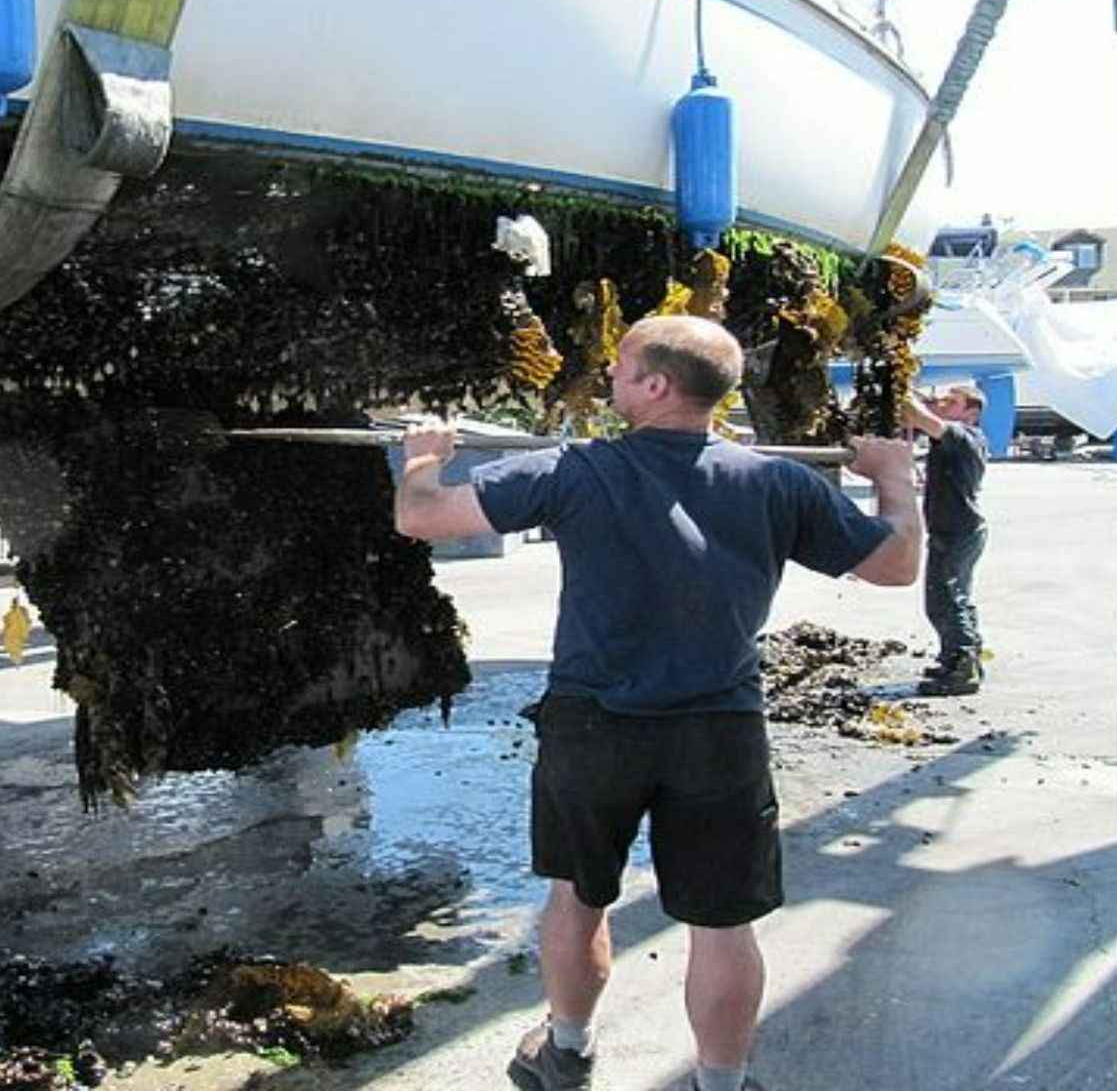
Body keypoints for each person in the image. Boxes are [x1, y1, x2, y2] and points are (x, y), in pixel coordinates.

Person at [394, 316, 922, 1091]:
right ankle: (720, 1083)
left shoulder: (575, 470)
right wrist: (894, 479)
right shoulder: (777, 482)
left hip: (594, 725)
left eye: (620, 366)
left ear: (656, 384)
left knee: (576, 896)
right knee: (722, 923)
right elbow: (898, 564)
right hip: (720, 730)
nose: (608, 376)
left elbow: (421, 518)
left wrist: (423, 461)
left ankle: (566, 1049)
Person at [901, 385, 989, 696]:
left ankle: (961, 667)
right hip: (957, 530)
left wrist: (905, 392)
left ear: (971, 413)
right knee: (956, 596)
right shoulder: (954, 439)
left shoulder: (963, 436)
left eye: (952, 402)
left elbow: (920, 418)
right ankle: (961, 657)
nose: (942, 404)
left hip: (957, 531)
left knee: (944, 600)